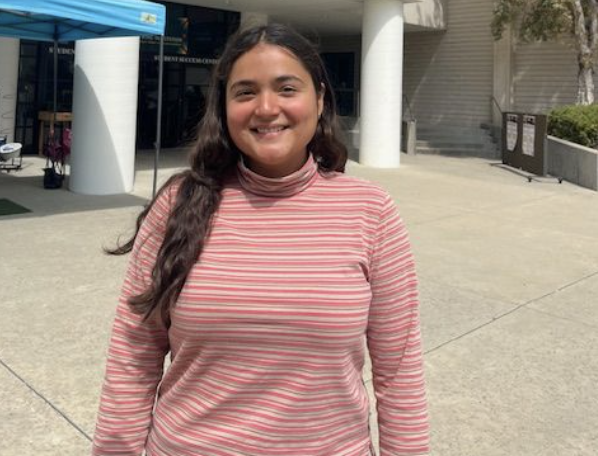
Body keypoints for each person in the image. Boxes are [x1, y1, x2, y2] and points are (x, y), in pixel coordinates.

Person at [92, 23, 429, 456]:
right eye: (245, 92)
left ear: (320, 99)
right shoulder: (178, 204)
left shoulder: (370, 211)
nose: (266, 108)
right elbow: (133, 356)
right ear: (225, 106)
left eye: (287, 88)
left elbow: (398, 371)